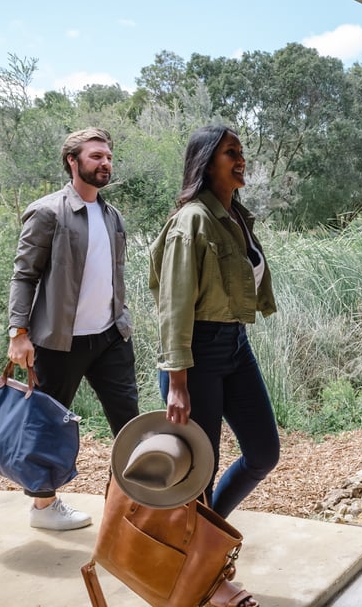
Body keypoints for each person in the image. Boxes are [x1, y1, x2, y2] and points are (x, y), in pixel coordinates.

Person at [7, 127, 140, 531]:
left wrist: (121, 319)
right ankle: (43, 508)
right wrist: (18, 332)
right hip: (59, 342)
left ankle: (132, 503)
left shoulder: (111, 215)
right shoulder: (48, 212)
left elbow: (111, 274)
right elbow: (23, 275)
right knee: (50, 424)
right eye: (96, 156)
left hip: (109, 337)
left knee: (129, 421)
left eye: (109, 157)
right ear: (73, 161)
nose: (105, 163)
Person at [149, 124, 280, 521]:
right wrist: (177, 382)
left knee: (262, 453)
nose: (241, 160)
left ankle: (211, 530)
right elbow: (174, 304)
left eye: (241, 152)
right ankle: (191, 569)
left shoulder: (235, 216)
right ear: (206, 164)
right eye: (230, 153)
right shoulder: (193, 220)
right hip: (197, 353)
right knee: (198, 472)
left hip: (235, 345)